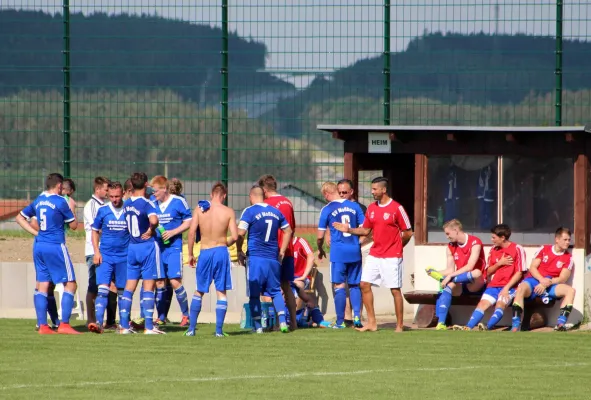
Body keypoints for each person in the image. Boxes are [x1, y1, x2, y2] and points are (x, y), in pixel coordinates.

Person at [332, 176, 413, 332]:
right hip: (375, 253)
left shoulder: (397, 208)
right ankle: (372, 323)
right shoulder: (371, 208)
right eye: (372, 189)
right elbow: (366, 230)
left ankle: (399, 325)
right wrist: (349, 229)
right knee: (364, 284)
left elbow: (408, 233)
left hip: (392, 256)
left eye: (375, 189)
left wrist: (397, 247)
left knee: (394, 289)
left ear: (383, 190)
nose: (372, 192)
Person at [16, 173, 80, 334]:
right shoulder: (60, 201)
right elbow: (73, 226)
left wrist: (35, 233)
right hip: (55, 246)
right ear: (59, 186)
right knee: (70, 284)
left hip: (39, 245)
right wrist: (73, 210)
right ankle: (64, 324)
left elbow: (19, 218)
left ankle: (43, 326)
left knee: (42, 284)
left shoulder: (39, 200)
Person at [236, 185, 293, 334]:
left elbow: (240, 233)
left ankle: (258, 327)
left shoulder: (249, 211)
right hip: (273, 259)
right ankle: (282, 323)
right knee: (275, 292)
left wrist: (238, 250)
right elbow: (288, 230)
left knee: (254, 294)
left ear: (251, 196)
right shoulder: (276, 212)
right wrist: (281, 251)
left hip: (256, 258)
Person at [185, 182, 238, 337]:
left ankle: (191, 329)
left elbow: (191, 232)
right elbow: (235, 236)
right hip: (221, 252)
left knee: (199, 290)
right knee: (221, 291)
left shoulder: (200, 209)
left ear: (211, 194)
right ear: (224, 195)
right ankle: (219, 331)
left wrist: (190, 254)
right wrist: (222, 243)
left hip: (205, 251)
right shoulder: (228, 211)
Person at [453, 224, 526, 331]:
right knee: (482, 304)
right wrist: (499, 263)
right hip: (494, 285)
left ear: (502, 238)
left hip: (511, 287)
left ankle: (488, 327)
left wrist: (506, 288)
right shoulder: (493, 250)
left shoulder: (517, 249)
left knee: (500, 304)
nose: (492, 240)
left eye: (494, 237)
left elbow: (519, 273)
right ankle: (468, 327)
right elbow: (487, 272)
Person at [119, 172, 164, 334]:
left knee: (129, 287)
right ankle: (149, 327)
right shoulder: (146, 204)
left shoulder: (127, 203)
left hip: (132, 247)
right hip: (146, 247)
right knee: (148, 286)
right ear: (146, 184)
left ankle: (124, 325)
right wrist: (151, 230)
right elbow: (154, 221)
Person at [317, 181, 365, 329]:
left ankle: (340, 321)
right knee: (355, 285)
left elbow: (319, 236)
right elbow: (366, 230)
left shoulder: (327, 209)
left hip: (338, 252)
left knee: (339, 285)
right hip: (354, 250)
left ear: (326, 194)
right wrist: (358, 243)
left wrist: (320, 248)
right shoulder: (355, 206)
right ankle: (357, 316)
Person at [425, 219, 486, 330]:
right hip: (461, 281)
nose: (447, 237)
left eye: (448, 233)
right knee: (449, 286)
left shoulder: (475, 242)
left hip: (477, 283)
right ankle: (441, 324)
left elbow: (470, 266)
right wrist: (435, 272)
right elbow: (450, 269)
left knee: (476, 272)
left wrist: (449, 276)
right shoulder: (450, 247)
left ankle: (448, 280)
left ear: (456, 230)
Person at [511, 227, 576, 332]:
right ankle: (515, 325)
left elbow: (563, 278)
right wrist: (541, 280)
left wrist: (547, 283)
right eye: (565, 239)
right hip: (534, 280)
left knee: (570, 291)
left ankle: (560, 324)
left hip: (551, 284)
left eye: (569, 240)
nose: (568, 242)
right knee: (521, 288)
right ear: (557, 239)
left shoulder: (568, 258)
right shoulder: (544, 249)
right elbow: (532, 268)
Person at [150, 176, 192, 327]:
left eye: (155, 191)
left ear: (164, 189)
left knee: (175, 281)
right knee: (159, 281)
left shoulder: (178, 201)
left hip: (173, 247)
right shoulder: (152, 203)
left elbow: (189, 220)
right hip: (157, 247)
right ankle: (161, 317)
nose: (153, 194)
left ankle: (186, 316)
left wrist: (173, 232)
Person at [88, 182, 130, 334]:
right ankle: (99, 323)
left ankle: (124, 325)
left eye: (117, 196)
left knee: (123, 291)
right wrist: (96, 252)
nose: (114, 199)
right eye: (111, 196)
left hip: (124, 256)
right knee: (103, 289)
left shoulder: (128, 210)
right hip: (105, 256)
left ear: (123, 193)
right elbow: (94, 231)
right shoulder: (103, 210)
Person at [257, 174, 298, 330]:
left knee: (272, 288)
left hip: (270, 251)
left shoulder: (265, 204)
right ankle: (293, 323)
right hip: (287, 250)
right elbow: (291, 228)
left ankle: (275, 323)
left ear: (265, 190)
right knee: (286, 286)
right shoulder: (287, 202)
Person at [336, 178, 368, 326]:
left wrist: (360, 241)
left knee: (352, 285)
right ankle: (349, 318)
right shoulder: (334, 207)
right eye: (340, 192)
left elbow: (367, 230)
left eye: (344, 192)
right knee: (349, 286)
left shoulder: (359, 208)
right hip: (346, 251)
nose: (342, 195)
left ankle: (353, 317)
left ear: (351, 192)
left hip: (354, 251)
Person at [83, 176, 112, 328]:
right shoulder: (93, 205)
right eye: (106, 190)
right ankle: (90, 319)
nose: (108, 193)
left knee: (105, 285)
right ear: (98, 189)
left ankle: (106, 320)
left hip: (103, 250)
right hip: (94, 250)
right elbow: (97, 227)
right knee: (93, 286)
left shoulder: (102, 205)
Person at [291, 235, 330, 328]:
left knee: (298, 287)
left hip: (301, 278)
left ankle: (297, 319)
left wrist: (304, 276)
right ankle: (274, 321)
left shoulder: (301, 241)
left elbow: (311, 257)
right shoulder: (280, 242)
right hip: (287, 279)